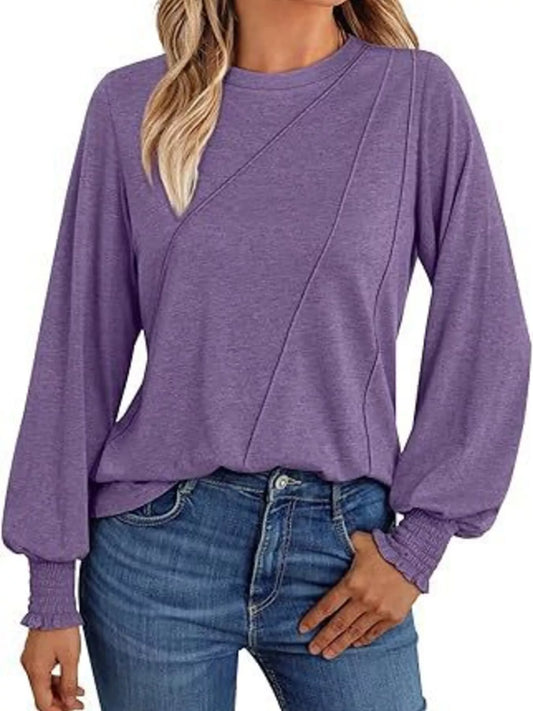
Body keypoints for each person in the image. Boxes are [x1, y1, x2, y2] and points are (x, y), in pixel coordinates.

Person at [2, 1, 530, 710]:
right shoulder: (131, 105)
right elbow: (76, 348)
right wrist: (49, 588)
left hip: (344, 545)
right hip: (155, 550)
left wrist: (419, 547)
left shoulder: (412, 96)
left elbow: (486, 321)